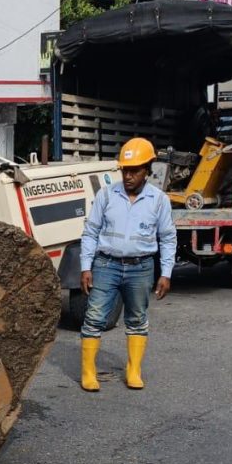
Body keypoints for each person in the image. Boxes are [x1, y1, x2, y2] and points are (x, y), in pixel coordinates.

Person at [79, 136, 177, 392]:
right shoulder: (106, 195)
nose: (129, 175)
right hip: (105, 265)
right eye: (125, 170)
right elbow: (90, 232)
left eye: (134, 170)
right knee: (94, 317)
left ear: (147, 170)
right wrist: (86, 266)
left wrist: (165, 273)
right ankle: (88, 372)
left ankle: (133, 370)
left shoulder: (158, 200)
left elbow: (167, 238)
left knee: (137, 319)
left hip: (141, 268)